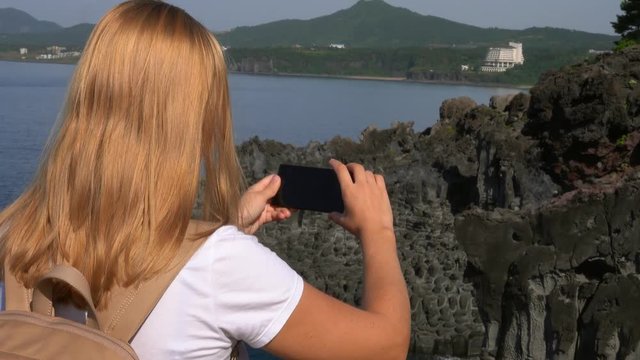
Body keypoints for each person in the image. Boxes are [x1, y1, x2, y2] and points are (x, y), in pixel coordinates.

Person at [0, 1, 410, 359]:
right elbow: (387, 346)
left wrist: (225, 227)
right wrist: (379, 231)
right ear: (190, 121)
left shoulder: (16, 236)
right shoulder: (223, 267)